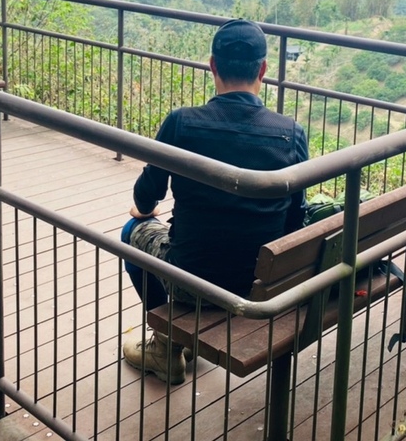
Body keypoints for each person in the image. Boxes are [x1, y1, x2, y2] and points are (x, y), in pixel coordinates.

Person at [120, 19, 309, 384]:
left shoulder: (181, 123)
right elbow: (293, 218)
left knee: (132, 231)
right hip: (258, 282)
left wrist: (143, 213)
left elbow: (146, 196)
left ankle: (166, 346)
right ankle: (173, 339)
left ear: (212, 66)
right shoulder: (291, 134)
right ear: (264, 70)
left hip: (190, 279)